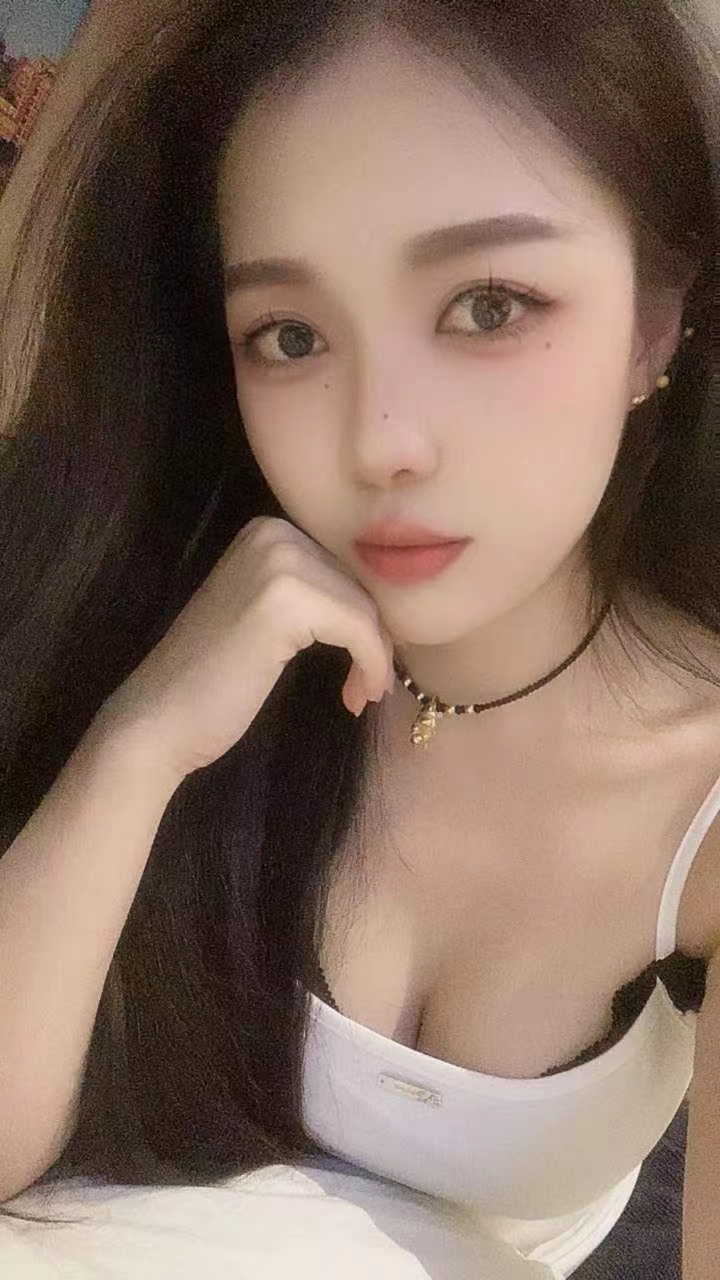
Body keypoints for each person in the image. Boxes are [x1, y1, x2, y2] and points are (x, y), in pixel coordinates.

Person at [0, 1, 718, 1276]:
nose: (379, 441)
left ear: (656, 324)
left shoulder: (698, 791)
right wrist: (140, 742)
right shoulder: (168, 593)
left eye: (488, 305)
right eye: (291, 335)